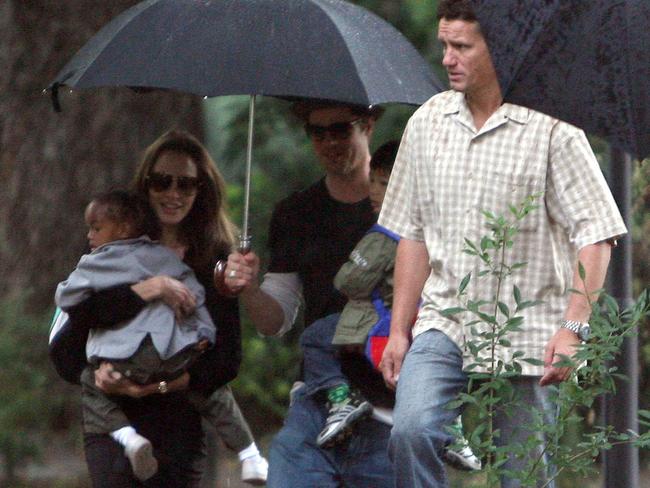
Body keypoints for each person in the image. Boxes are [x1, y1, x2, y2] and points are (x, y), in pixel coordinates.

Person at [378, 1, 627, 487]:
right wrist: (400, 330)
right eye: (444, 45)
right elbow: (413, 235)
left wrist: (573, 328)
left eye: (462, 47)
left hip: (528, 329)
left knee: (523, 477)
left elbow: (597, 235)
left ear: (500, 50)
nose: (448, 58)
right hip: (444, 319)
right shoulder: (427, 122)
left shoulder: (553, 125)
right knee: (410, 431)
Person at [48, 130, 264, 487]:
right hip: (115, 426)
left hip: (179, 425)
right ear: (144, 186)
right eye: (162, 182)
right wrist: (148, 289)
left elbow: (226, 360)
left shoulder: (215, 262)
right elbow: (66, 344)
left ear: (201, 190)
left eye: (187, 184)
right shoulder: (110, 251)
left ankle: (249, 454)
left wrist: (165, 385)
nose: (173, 194)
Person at [224, 101, 395, 487]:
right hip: (316, 403)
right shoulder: (296, 213)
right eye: (318, 132)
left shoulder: (402, 209)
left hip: (388, 407)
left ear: (367, 126)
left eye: (341, 129)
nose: (329, 141)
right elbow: (275, 321)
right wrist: (249, 289)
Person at [299, 141, 481, 472]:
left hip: (380, 321)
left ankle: (341, 400)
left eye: (386, 183)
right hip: (433, 323)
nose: (375, 191)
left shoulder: (387, 234)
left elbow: (350, 281)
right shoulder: (447, 229)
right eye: (375, 181)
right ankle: (452, 427)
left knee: (315, 336)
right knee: (445, 368)